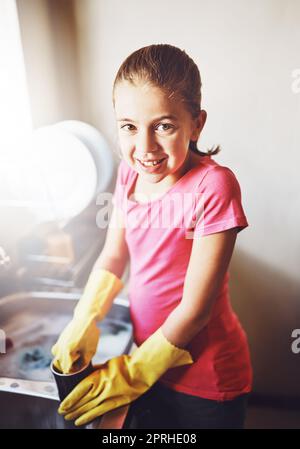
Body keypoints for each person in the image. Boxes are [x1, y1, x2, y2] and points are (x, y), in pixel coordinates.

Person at [52, 44, 253, 429]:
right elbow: (114, 256)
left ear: (196, 123)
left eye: (163, 125)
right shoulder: (129, 173)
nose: (144, 148)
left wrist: (132, 374)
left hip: (207, 381)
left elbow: (195, 312)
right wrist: (85, 316)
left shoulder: (214, 186)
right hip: (148, 362)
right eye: (128, 126)